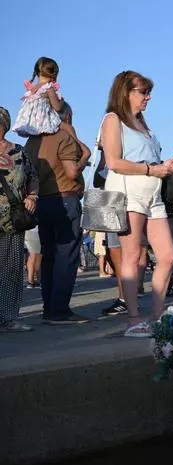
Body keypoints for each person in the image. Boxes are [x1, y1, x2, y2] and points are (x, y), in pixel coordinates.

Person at [101, 70, 173, 336]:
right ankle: (133, 319)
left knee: (167, 255)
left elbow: (147, 160)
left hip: (152, 193)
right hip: (129, 192)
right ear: (126, 92)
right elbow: (113, 162)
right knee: (132, 256)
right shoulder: (113, 120)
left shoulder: (144, 125)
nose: (148, 97)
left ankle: (157, 316)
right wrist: (150, 169)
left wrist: (164, 167)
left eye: (148, 92)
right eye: (143, 92)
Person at [24, 100, 90, 324]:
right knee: (66, 256)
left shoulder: (32, 142)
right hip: (65, 198)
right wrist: (85, 157)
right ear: (65, 118)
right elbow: (71, 172)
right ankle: (60, 310)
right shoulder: (64, 138)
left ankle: (49, 308)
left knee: (48, 255)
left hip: (43, 201)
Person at [0, 107, 38, 332]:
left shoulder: (19, 151)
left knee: (12, 268)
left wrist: (32, 196)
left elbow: (32, 177)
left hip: (14, 217)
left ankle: (9, 316)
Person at [11, 57, 64, 137]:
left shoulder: (31, 90)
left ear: (37, 73)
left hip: (29, 124)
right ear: (54, 74)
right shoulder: (48, 88)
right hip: (43, 123)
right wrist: (61, 102)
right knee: (66, 127)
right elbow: (57, 107)